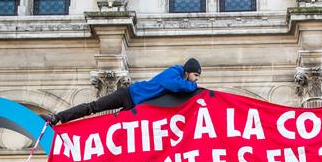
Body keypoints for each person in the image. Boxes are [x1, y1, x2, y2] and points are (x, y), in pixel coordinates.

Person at [42, 58, 202, 125]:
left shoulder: (181, 78)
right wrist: (194, 88)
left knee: (110, 124)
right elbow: (174, 85)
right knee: (93, 107)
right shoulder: (174, 72)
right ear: (188, 71)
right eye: (196, 75)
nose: (196, 80)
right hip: (128, 94)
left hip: (134, 107)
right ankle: (55, 118)